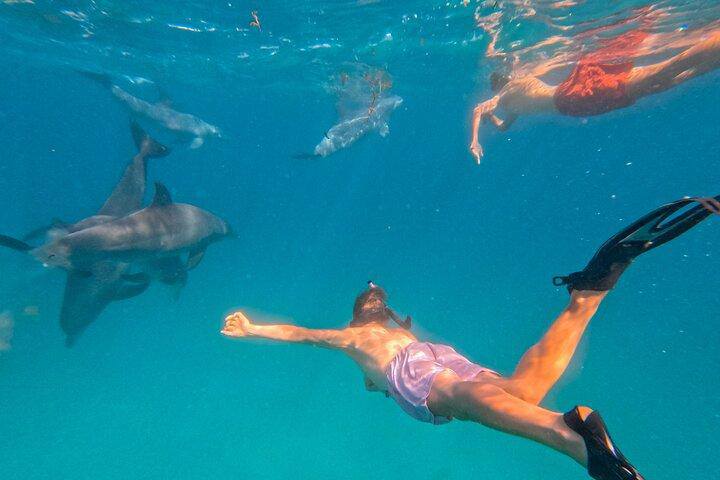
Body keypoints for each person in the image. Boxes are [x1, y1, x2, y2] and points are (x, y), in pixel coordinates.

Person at [221, 196, 720, 479]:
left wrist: (251, 329)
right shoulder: (397, 332)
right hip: (436, 357)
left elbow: (300, 335)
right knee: (521, 390)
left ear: (357, 319)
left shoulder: (356, 339)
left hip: (414, 372)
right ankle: (588, 295)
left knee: (466, 399)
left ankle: (575, 444)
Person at [469, 25, 720, 163]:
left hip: (576, 100)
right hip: (576, 102)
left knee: (660, 77)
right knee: (659, 80)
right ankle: (713, 58)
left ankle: (712, 51)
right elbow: (501, 126)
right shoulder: (513, 98)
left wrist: (475, 141)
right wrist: (490, 121)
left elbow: (479, 109)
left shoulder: (510, 92)